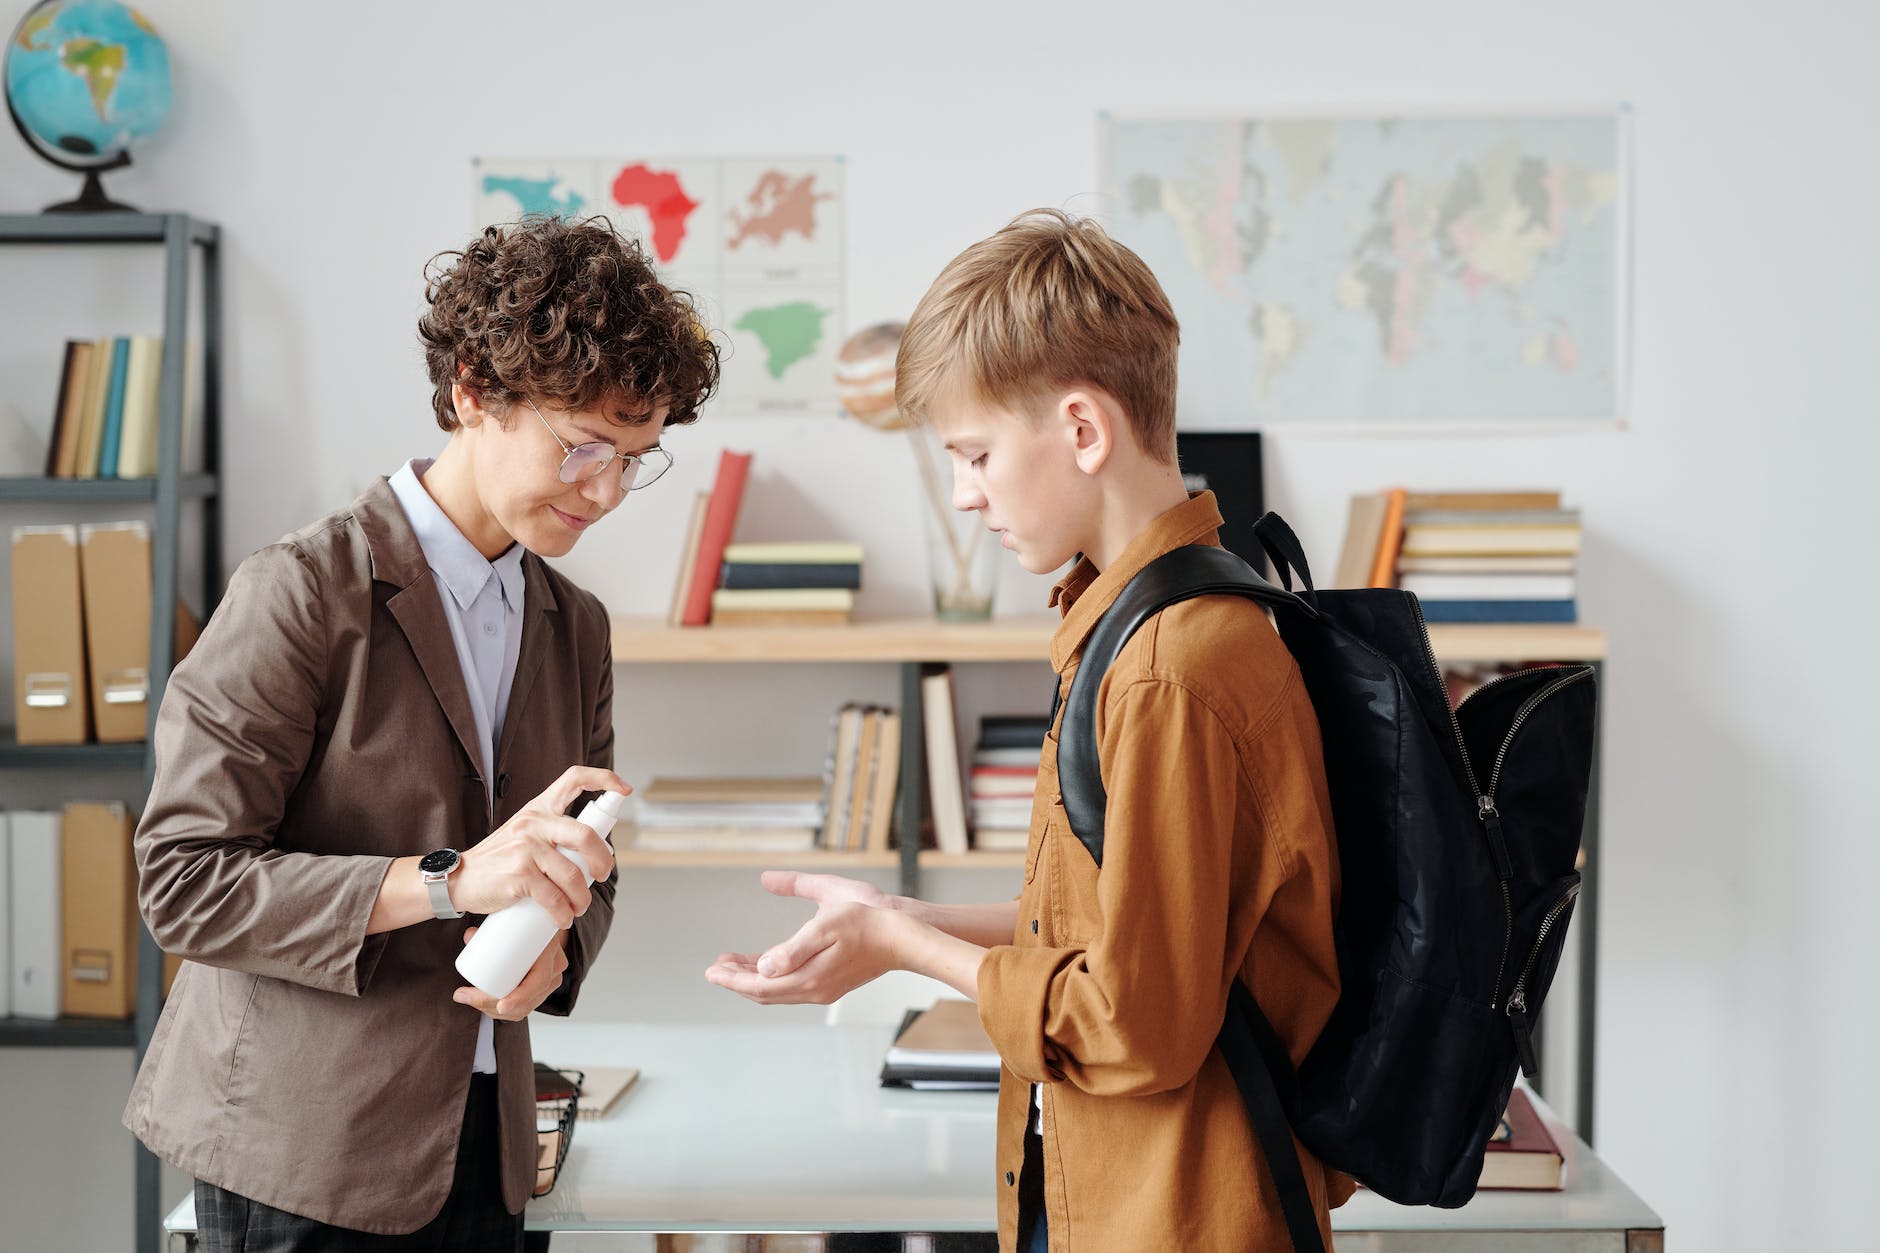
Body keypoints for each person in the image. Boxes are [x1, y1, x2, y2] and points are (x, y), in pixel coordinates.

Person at [707, 208, 1351, 1251]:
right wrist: (899, 918)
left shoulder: (1165, 670)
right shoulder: (1142, 625)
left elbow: (1133, 1022)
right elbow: (1118, 937)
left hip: (1175, 1215)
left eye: (974, 453)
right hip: (1122, 1193)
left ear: (1082, 430)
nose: (963, 494)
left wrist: (904, 945)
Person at [124, 215, 721, 1251]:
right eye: (580, 447)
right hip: (307, 1151)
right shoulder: (301, 591)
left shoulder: (571, 621)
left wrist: (557, 952)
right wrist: (448, 879)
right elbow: (184, 881)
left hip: (489, 1146)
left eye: (635, 458)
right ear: (472, 392)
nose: (607, 491)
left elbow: (586, 859)